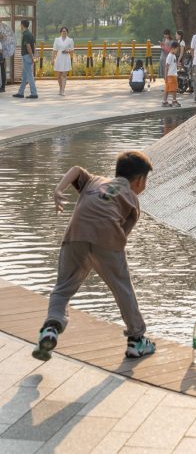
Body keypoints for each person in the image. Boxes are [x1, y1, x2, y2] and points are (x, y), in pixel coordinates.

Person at [31, 151, 156, 362]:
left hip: (75, 236)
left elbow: (76, 170)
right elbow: (122, 236)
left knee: (62, 289)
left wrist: (59, 189)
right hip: (107, 240)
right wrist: (106, 261)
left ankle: (51, 329)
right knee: (123, 289)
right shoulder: (132, 199)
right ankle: (136, 340)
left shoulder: (94, 181)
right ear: (139, 180)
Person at [13, 20, 38, 99]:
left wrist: (32, 57)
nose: (20, 26)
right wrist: (34, 55)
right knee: (24, 76)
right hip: (28, 56)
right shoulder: (30, 34)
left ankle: (34, 93)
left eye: (20, 25)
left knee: (29, 75)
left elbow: (28, 46)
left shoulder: (26, 35)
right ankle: (20, 93)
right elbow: (34, 45)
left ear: (22, 25)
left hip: (27, 56)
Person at [52, 26, 74, 96]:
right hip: (59, 58)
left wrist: (68, 51)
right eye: (63, 31)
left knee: (64, 75)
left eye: (65, 31)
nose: (64, 32)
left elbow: (72, 50)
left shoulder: (70, 40)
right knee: (58, 76)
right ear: (60, 32)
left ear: (67, 32)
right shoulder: (57, 39)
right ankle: (60, 88)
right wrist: (52, 59)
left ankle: (63, 90)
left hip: (66, 59)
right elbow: (54, 50)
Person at [163, 41, 180, 107]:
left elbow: (173, 65)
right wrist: (165, 75)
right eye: (177, 49)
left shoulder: (173, 56)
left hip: (171, 74)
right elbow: (166, 66)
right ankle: (174, 101)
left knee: (167, 88)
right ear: (173, 48)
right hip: (171, 75)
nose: (177, 51)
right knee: (174, 89)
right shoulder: (170, 56)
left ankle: (164, 101)